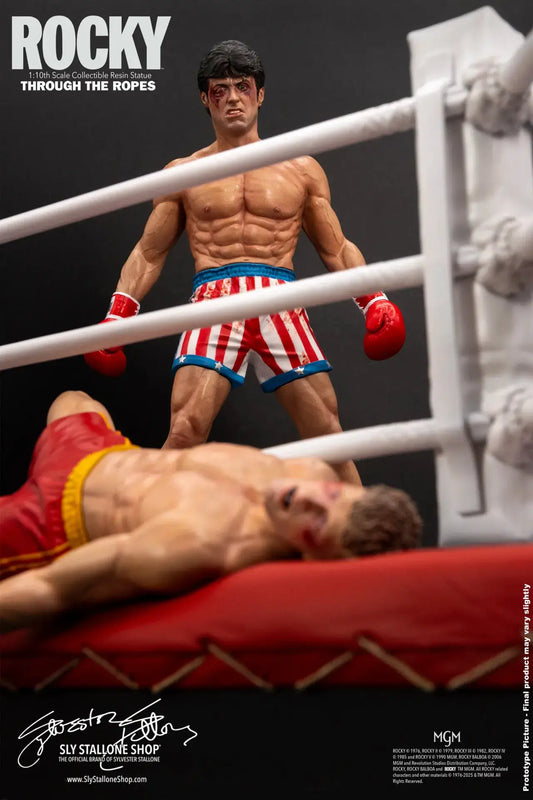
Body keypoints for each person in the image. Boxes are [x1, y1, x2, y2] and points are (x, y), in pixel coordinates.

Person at [84, 40, 406, 485]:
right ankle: (148, 520)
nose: (233, 98)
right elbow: (149, 251)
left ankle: (365, 528)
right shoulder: (184, 172)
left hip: (279, 297)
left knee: (329, 437)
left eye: (242, 86)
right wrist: (119, 313)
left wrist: (374, 300)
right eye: (220, 89)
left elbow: (336, 247)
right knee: (184, 432)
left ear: (260, 93)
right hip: (214, 299)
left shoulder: (300, 168)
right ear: (205, 98)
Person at [0, 390, 422, 632]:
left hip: (50, 521)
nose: (306, 499)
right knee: (73, 399)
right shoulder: (310, 470)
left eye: (316, 524)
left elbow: (53, 589)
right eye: (331, 496)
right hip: (103, 454)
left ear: (313, 559)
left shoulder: (203, 543)